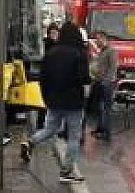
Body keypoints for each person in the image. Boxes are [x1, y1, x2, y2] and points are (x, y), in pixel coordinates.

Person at [21, 21, 90, 182]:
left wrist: (46, 98)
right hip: (73, 102)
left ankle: (31, 141)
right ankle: (66, 171)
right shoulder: (80, 54)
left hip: (53, 100)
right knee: (73, 136)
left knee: (51, 128)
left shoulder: (51, 53)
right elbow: (84, 79)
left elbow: (42, 79)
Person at [89, 30, 118, 141]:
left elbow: (112, 68)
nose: (96, 41)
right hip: (100, 82)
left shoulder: (112, 51)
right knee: (100, 108)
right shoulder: (102, 51)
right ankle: (100, 129)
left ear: (104, 39)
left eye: (98, 39)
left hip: (107, 84)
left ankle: (106, 132)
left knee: (106, 108)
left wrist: (106, 81)